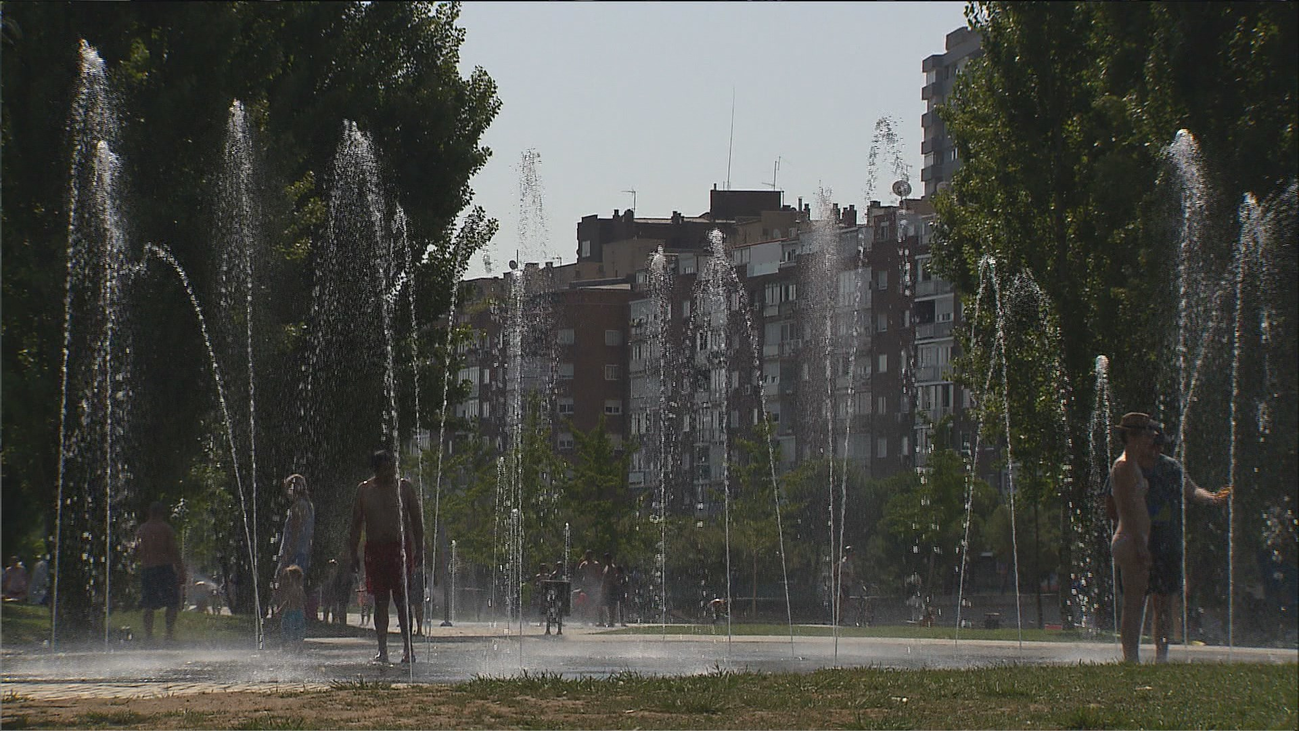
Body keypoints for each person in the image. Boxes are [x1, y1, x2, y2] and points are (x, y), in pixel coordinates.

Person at [1144, 427, 1231, 662]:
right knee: (1143, 599)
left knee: (1163, 600)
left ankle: (1161, 655)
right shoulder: (1132, 467)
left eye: (1160, 445)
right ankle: (1132, 651)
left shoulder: (1171, 467)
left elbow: (1192, 490)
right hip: (1142, 540)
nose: (1156, 450)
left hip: (1168, 542)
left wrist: (1212, 498)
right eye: (1153, 445)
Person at [348, 449, 424, 664]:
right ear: (376, 469)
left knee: (402, 601)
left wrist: (420, 548)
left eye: (392, 467)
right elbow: (355, 524)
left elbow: (416, 520)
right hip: (375, 550)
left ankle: (408, 649)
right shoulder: (364, 490)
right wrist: (352, 553)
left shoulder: (404, 488)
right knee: (380, 601)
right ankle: (382, 649)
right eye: (386, 468)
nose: (390, 472)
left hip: (399, 550)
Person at [1109, 412, 1158, 663]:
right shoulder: (1124, 466)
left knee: (1137, 601)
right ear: (1131, 436)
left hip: (1134, 538)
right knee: (1133, 602)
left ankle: (1133, 655)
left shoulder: (1133, 463)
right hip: (1129, 539)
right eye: (1145, 432)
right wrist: (1140, 544)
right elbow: (1127, 509)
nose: (1150, 437)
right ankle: (1130, 657)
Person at [133, 501, 187, 641]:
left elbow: (136, 551)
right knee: (172, 602)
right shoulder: (165, 529)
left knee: (148, 604)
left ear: (149, 513)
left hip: (148, 569)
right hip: (164, 568)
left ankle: (149, 636)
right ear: (162, 513)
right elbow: (173, 551)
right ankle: (168, 633)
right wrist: (181, 570)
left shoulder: (142, 530)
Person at [276, 474, 315, 578]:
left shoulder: (298, 507)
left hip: (293, 554)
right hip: (303, 553)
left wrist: (286, 557)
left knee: (285, 586)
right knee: (297, 585)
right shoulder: (308, 506)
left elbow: (294, 533)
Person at [275, 564, 307, 649]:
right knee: (298, 634)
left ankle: (285, 650)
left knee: (287, 633)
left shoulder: (292, 588)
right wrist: (303, 613)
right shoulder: (300, 589)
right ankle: (298, 650)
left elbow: (288, 601)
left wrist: (280, 610)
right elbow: (302, 602)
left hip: (290, 614)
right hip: (299, 614)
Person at [577, 550, 603, 625]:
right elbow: (578, 572)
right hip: (585, 586)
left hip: (594, 586)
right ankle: (584, 619)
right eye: (587, 555)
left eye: (589, 555)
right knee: (584, 602)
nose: (588, 557)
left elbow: (599, 575)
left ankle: (597, 620)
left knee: (595, 603)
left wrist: (599, 585)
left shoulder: (596, 564)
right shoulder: (584, 564)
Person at [836, 545, 857, 625]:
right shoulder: (844, 562)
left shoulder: (850, 562)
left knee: (846, 602)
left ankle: (843, 618)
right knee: (843, 602)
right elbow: (844, 573)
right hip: (843, 584)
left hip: (848, 584)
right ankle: (840, 619)